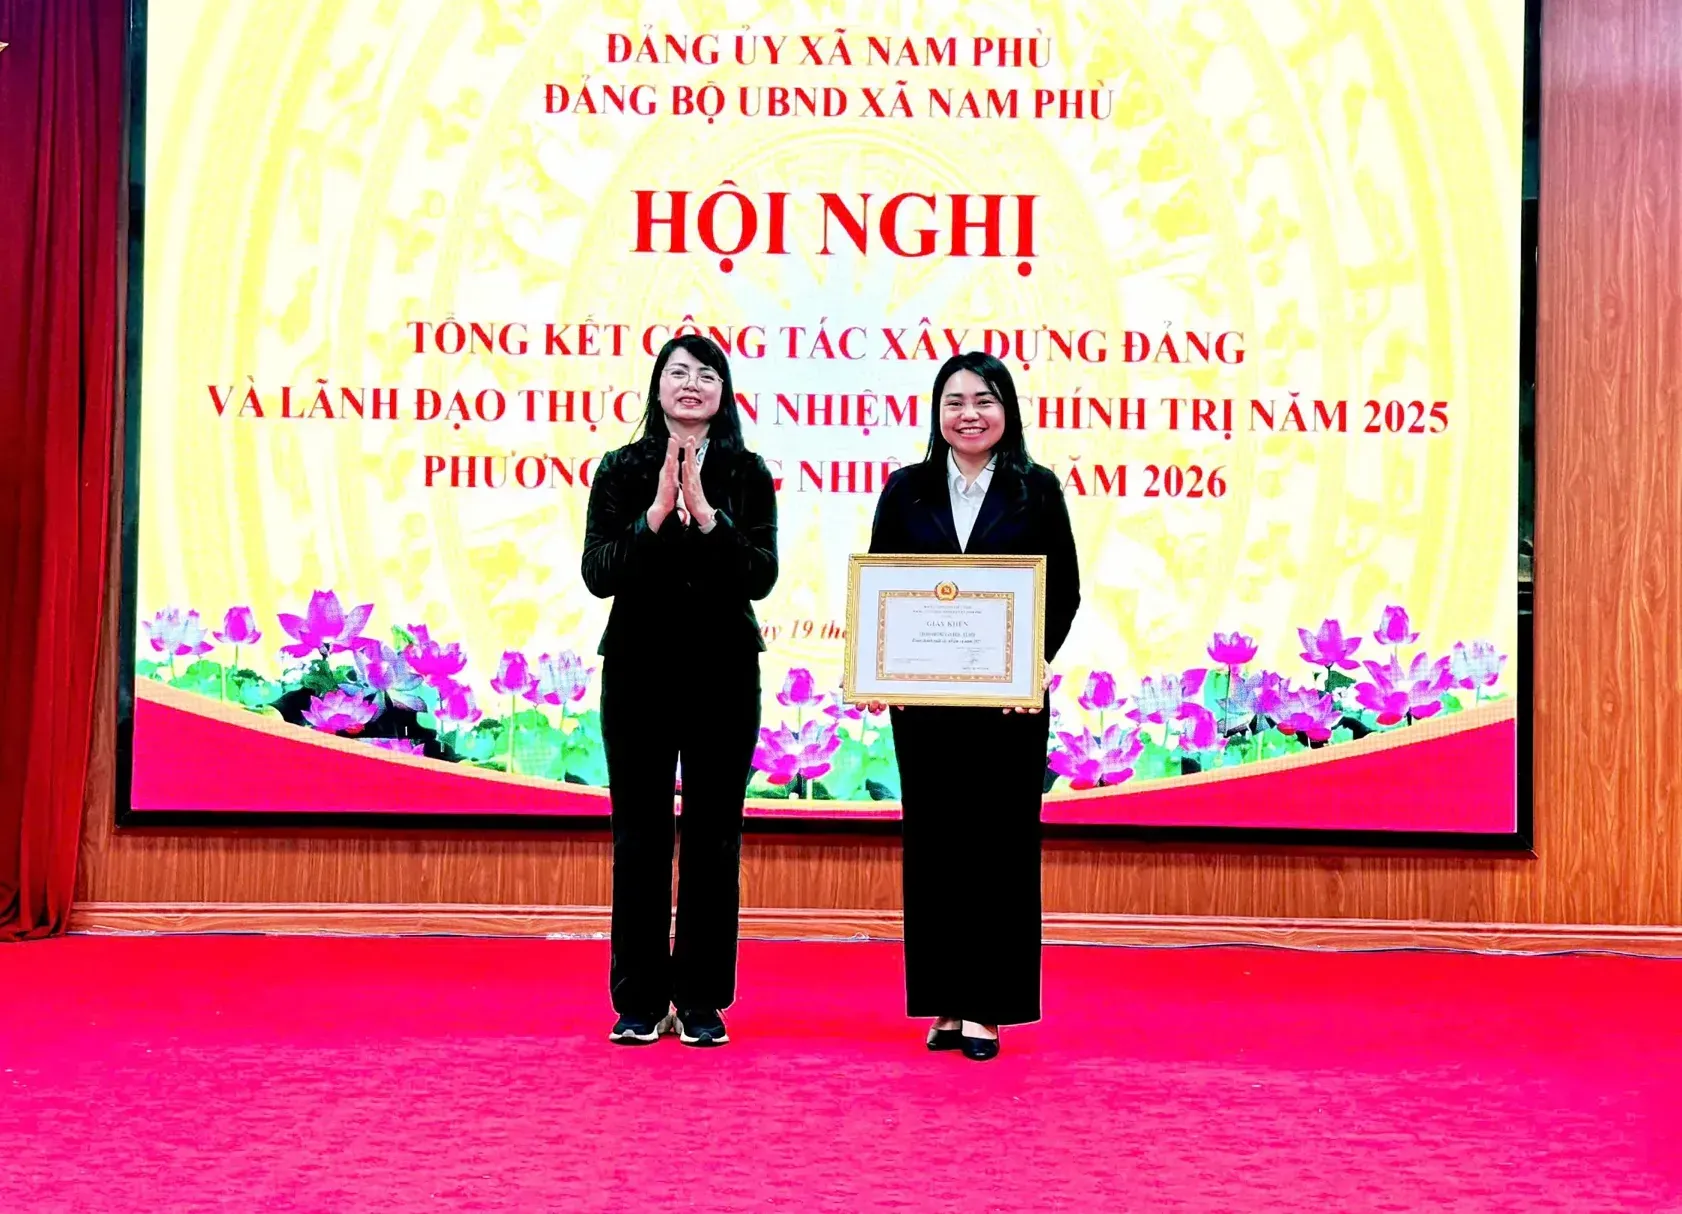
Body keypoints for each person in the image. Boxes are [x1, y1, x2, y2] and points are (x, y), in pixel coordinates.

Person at [865, 351, 1081, 1061]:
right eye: (954, 402)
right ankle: (945, 1001)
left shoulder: (1036, 490)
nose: (969, 414)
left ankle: (989, 1005)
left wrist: (1033, 664)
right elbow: (884, 585)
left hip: (1008, 706)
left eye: (984, 401)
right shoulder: (906, 490)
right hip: (925, 703)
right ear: (937, 413)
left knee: (999, 847)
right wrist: (882, 666)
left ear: (1006, 412)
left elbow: (1064, 589)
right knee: (935, 846)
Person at [582, 334, 778, 1048]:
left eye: (706, 374)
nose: (691, 384)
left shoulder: (747, 472)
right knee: (639, 836)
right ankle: (638, 999)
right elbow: (598, 572)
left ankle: (700, 999)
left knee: (714, 838)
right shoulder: (620, 467)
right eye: (678, 372)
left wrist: (707, 513)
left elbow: (760, 575)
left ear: (723, 393)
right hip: (639, 670)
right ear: (657, 387)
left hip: (724, 672)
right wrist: (657, 514)